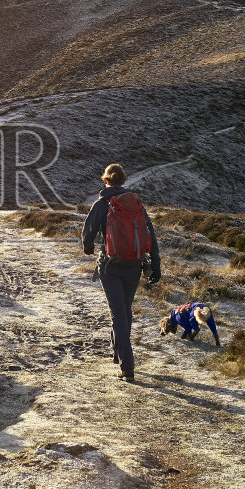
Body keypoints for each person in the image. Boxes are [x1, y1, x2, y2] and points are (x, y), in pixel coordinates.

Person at [82, 163, 160, 383]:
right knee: (125, 311)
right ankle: (118, 352)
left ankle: (127, 367)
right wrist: (156, 265)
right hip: (134, 265)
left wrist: (88, 248)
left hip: (110, 265)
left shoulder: (101, 204)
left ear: (105, 180)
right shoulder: (135, 204)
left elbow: (88, 233)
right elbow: (150, 235)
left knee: (118, 314)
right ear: (124, 180)